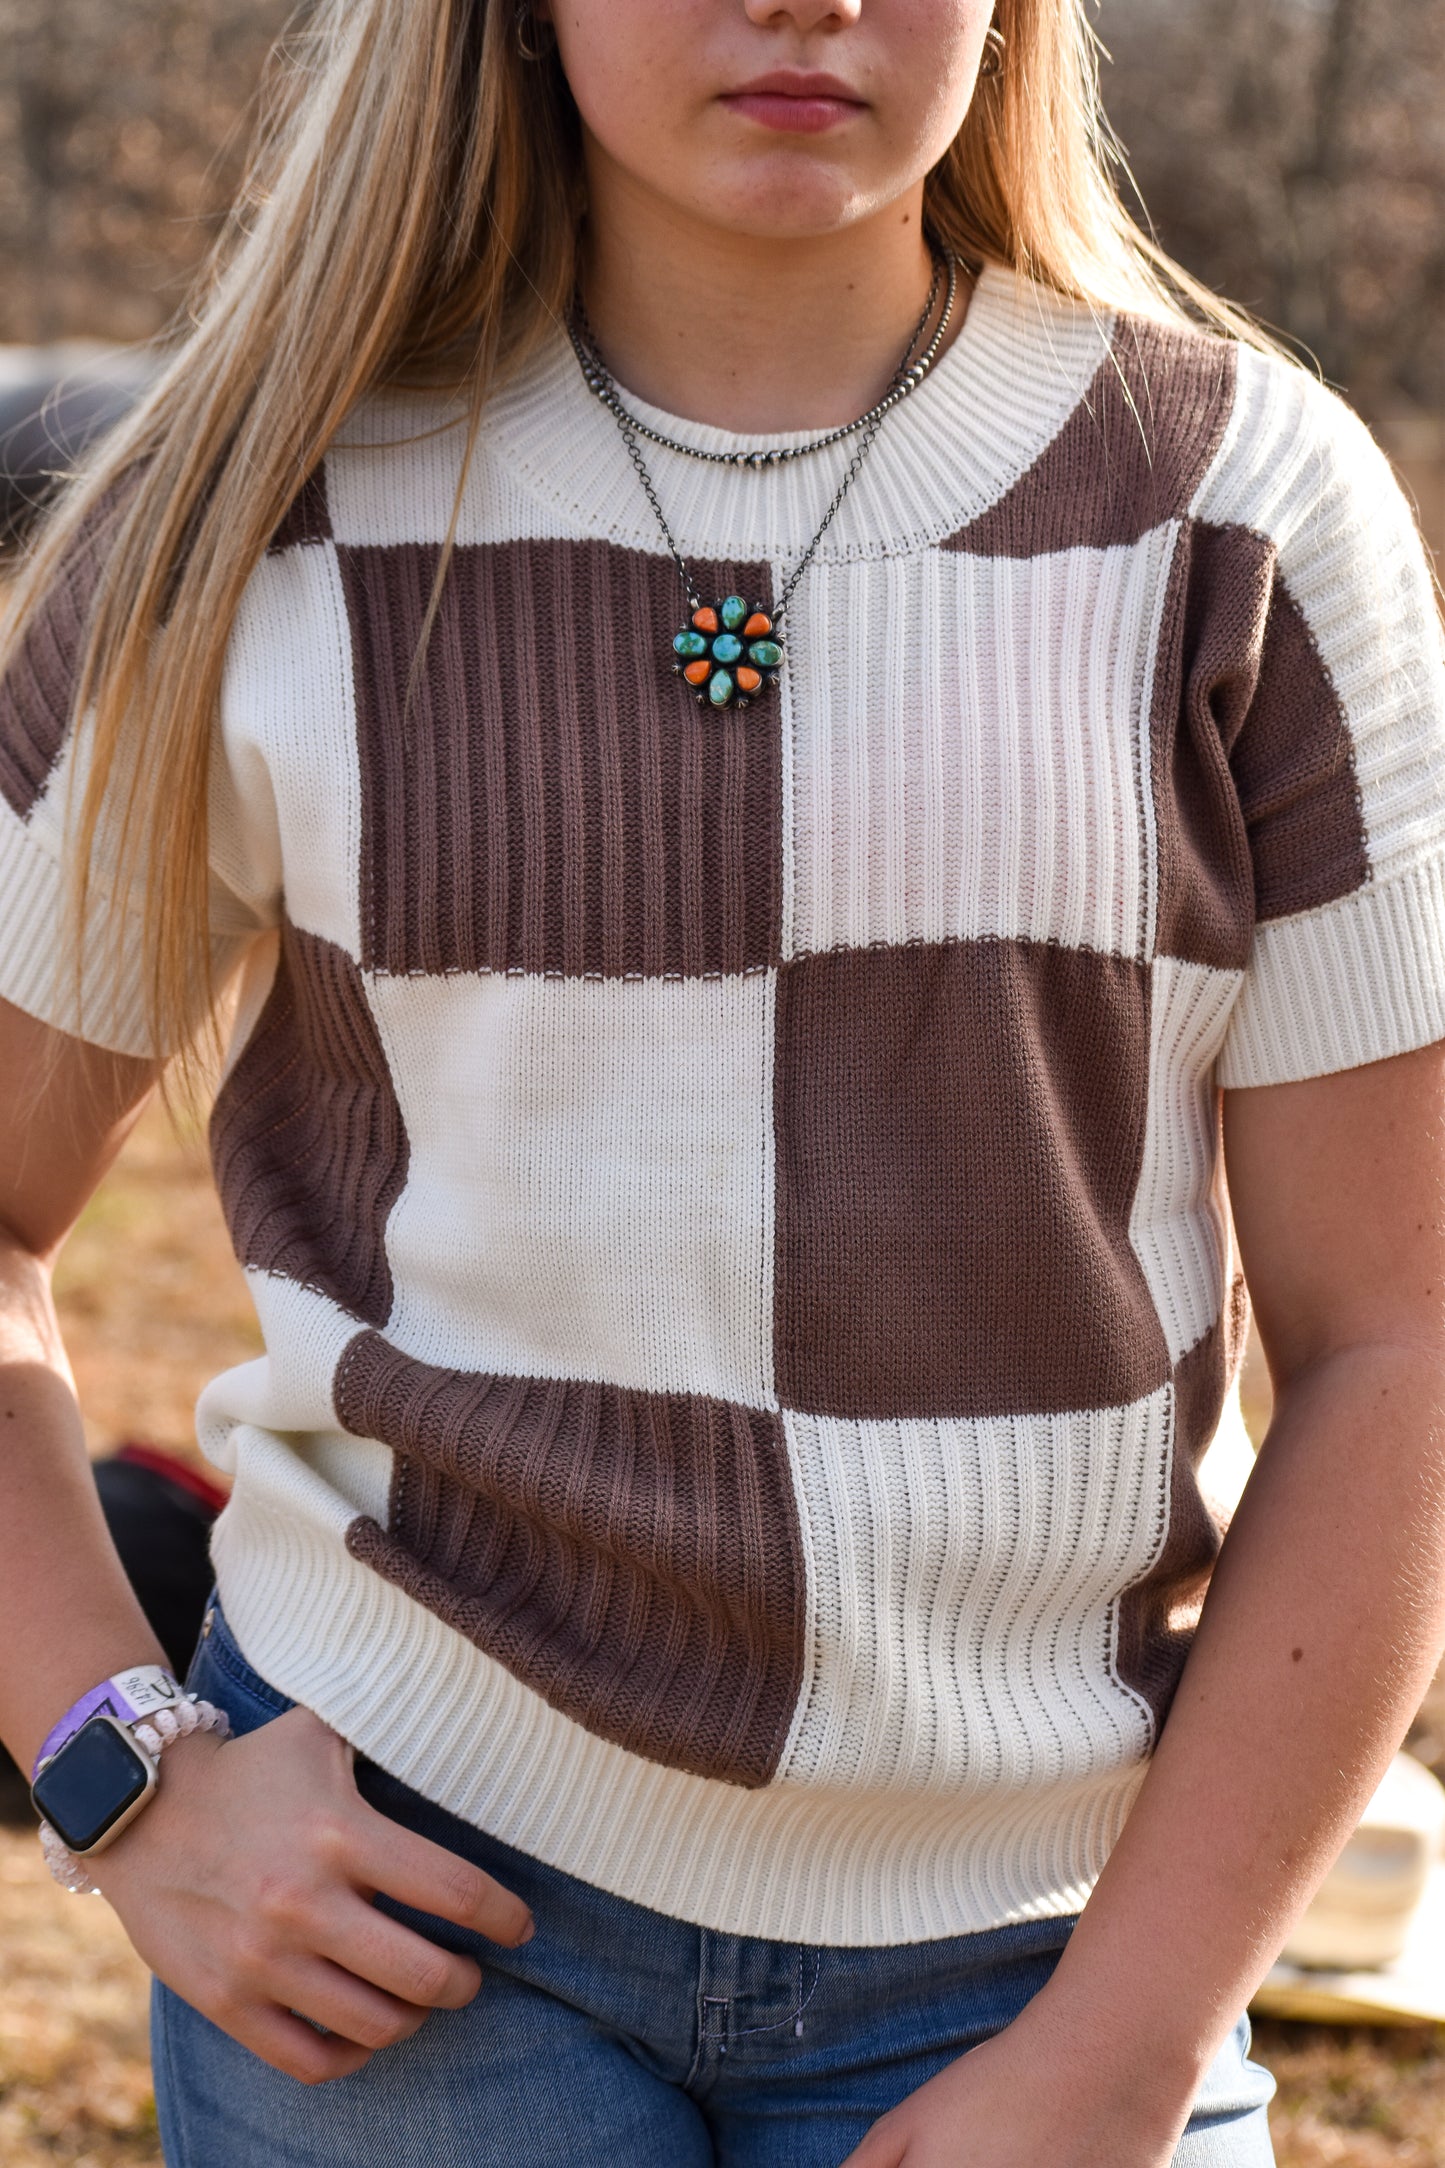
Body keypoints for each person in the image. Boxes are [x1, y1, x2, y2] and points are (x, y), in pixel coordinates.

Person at [2, 0, 1444, 2162]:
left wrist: (1134, 2040)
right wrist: (127, 1775)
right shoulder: (249, 512)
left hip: (1048, 1966)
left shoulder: (1243, 508)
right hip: (407, 1929)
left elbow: (1398, 1340)